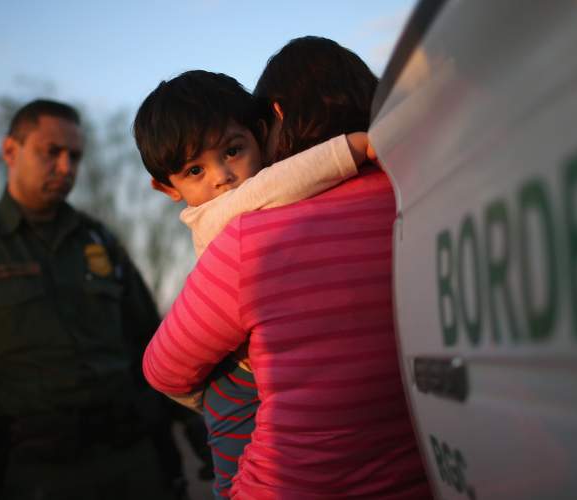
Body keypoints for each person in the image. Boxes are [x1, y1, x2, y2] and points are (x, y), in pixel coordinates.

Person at [143, 37, 433, 498]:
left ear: (271, 120)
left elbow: (163, 370)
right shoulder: (425, 194)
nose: (222, 178)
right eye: (195, 171)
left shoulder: (252, 234)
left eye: (234, 151)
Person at [0, 99, 186, 500]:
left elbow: (154, 341)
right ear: (11, 151)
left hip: (131, 460)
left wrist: (195, 429)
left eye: (74, 156)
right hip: (33, 472)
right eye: (51, 152)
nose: (66, 167)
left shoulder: (99, 240)